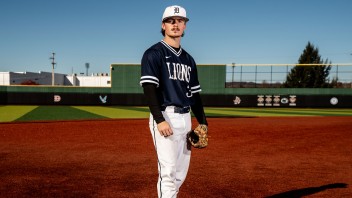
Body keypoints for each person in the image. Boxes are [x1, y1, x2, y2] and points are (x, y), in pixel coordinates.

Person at [140, 5, 208, 198]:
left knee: (180, 173)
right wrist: (159, 119)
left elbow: (194, 95)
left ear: (185, 26)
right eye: (171, 21)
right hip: (165, 115)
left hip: (185, 118)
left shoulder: (189, 59)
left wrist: (203, 122)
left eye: (180, 21)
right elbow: (149, 88)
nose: (175, 24)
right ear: (163, 25)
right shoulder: (153, 53)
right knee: (168, 172)